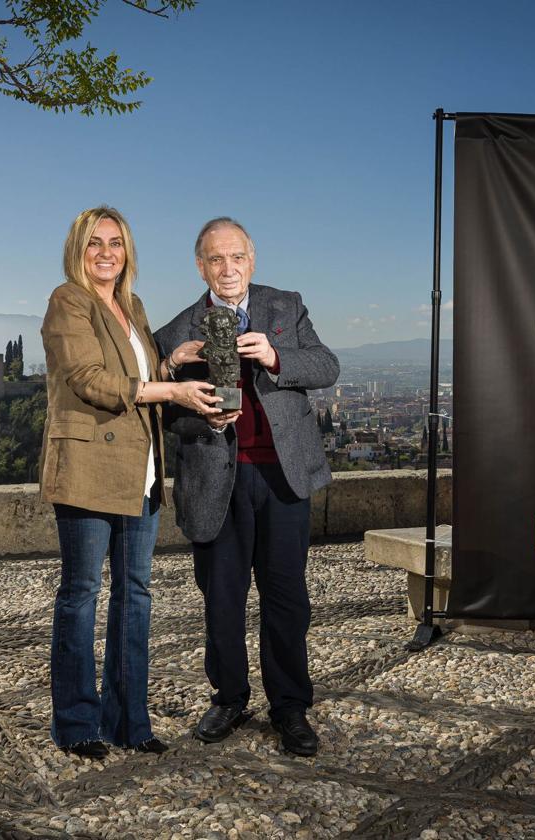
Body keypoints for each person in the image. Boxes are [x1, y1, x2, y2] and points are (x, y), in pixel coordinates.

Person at [155, 217, 339, 757]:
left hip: (282, 476)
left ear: (251, 261)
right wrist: (199, 413)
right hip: (215, 480)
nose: (227, 269)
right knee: (222, 599)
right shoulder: (176, 332)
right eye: (216, 259)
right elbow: (167, 415)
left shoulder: (286, 306)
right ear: (200, 266)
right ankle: (229, 697)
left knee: (286, 598)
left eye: (236, 258)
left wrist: (277, 358)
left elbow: (326, 366)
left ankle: (289, 706)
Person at [40, 206, 216, 759]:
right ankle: (76, 725)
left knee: (134, 596)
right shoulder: (68, 301)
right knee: (81, 596)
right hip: (90, 469)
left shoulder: (131, 306)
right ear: (78, 249)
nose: (106, 253)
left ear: (127, 252)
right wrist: (173, 393)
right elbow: (91, 381)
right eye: (95, 243)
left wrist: (172, 365)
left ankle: (130, 722)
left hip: (140, 471)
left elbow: (135, 377)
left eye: (115, 243)